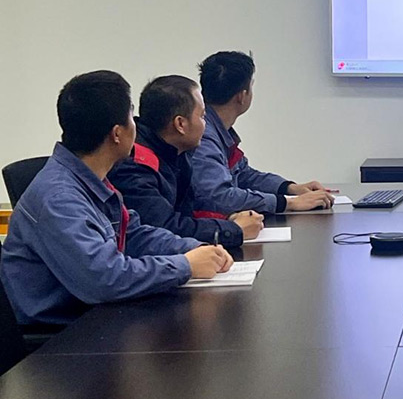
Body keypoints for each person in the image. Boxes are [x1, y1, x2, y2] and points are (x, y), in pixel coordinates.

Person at [0, 71, 232, 325]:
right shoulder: (59, 199)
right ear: (117, 134)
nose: (137, 126)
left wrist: (193, 248)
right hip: (61, 337)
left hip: (98, 316)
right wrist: (185, 265)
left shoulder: (92, 179)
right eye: (132, 118)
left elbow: (133, 234)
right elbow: (104, 279)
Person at [108, 75, 265, 248]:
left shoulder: (178, 152)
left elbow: (191, 210)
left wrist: (228, 218)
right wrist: (232, 230)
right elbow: (165, 228)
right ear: (180, 124)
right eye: (202, 116)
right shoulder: (135, 167)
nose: (206, 125)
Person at [190, 51, 333, 215]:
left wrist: (289, 188)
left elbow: (244, 176)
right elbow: (219, 198)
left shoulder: (217, 130)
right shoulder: (204, 137)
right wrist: (288, 202)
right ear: (242, 96)